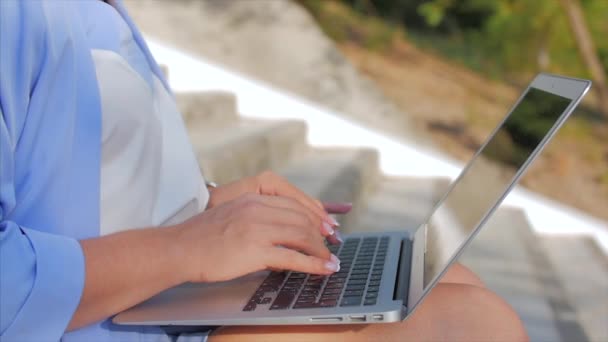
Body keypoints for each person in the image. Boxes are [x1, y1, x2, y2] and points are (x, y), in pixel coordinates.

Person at [0, 1, 527, 341]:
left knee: (447, 279)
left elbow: (71, 178)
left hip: (158, 292)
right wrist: (186, 247)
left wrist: (207, 205)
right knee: (475, 323)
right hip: (108, 319)